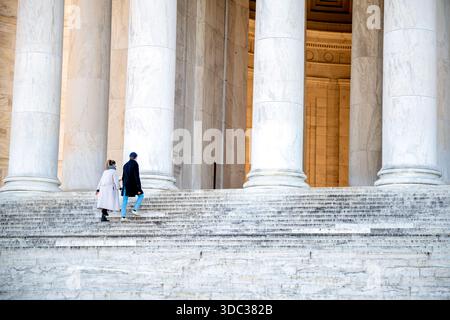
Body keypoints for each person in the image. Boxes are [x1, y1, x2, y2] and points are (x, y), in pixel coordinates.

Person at [121, 152, 144, 222]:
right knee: (141, 195)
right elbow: (137, 176)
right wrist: (139, 188)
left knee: (124, 200)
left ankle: (123, 217)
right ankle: (134, 209)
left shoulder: (125, 165)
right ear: (135, 157)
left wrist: (123, 186)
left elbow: (123, 177)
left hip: (125, 185)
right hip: (133, 186)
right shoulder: (135, 164)